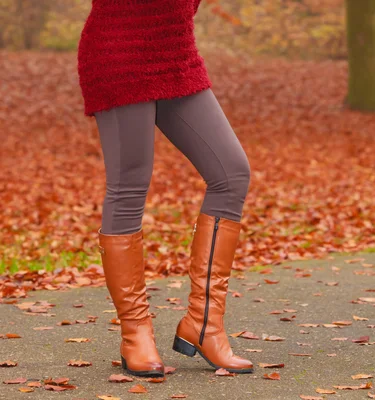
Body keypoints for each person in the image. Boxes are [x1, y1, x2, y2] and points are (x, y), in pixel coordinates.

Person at [77, 0, 254, 377]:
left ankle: (205, 324)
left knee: (231, 173)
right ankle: (135, 333)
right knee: (129, 186)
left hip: (175, 54)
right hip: (120, 51)